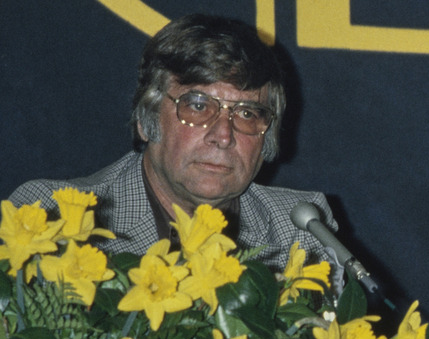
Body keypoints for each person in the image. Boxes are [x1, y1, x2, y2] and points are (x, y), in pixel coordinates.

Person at [8, 14, 336, 271]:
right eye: (197, 105)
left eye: (248, 113)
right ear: (147, 121)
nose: (223, 136)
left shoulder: (301, 230)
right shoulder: (53, 217)